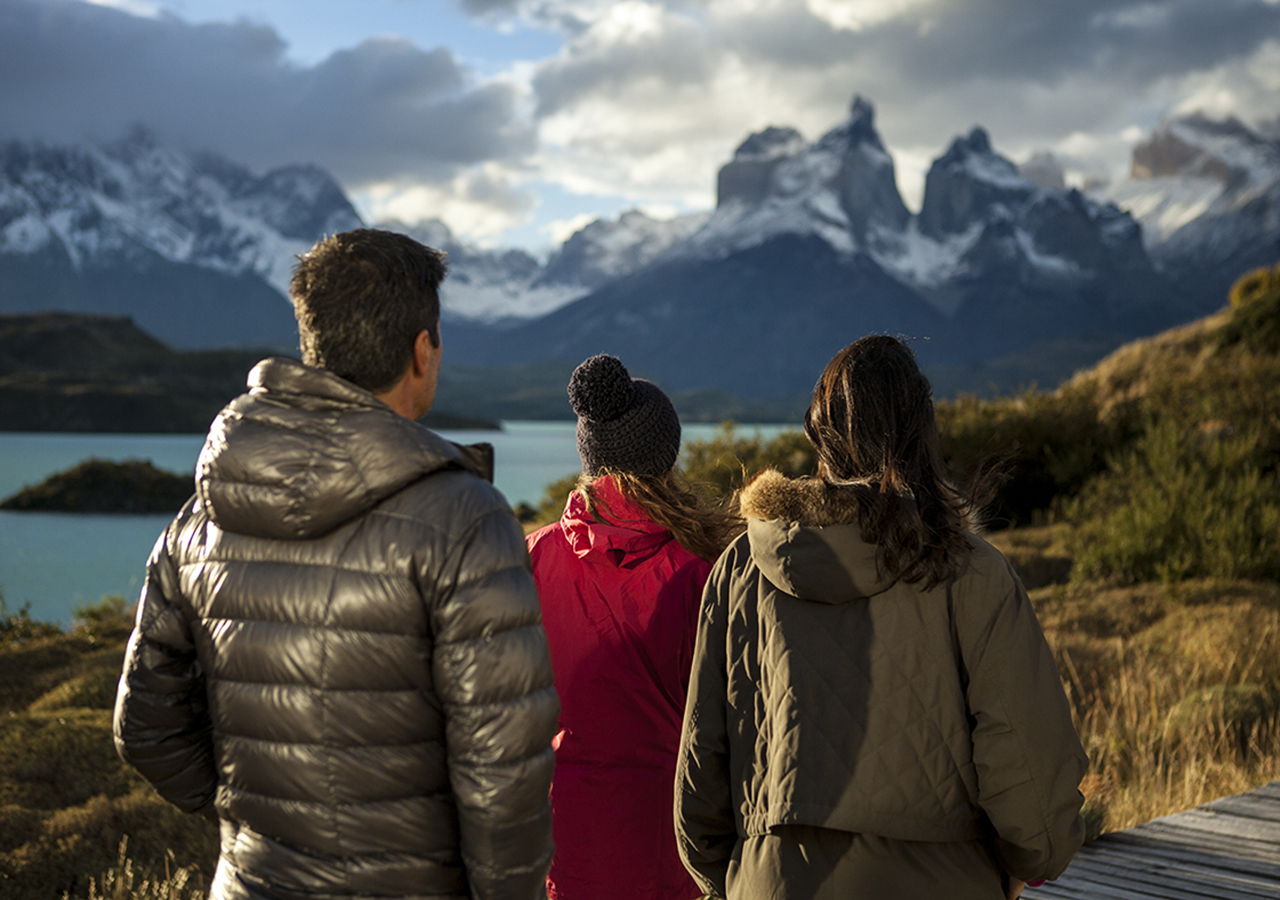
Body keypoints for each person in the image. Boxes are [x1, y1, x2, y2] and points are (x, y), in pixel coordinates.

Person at [112, 228, 559, 900]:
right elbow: (504, 775)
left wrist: (256, 817)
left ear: (313, 343)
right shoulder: (466, 519)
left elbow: (144, 729)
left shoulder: (198, 519)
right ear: (422, 350)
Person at [675, 335, 1088, 900]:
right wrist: (1028, 861)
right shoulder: (971, 572)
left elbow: (704, 757)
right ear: (920, 430)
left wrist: (735, 879)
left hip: (773, 881)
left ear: (820, 431)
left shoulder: (738, 568)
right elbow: (1023, 753)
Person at [525, 354, 741, 900]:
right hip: (677, 838)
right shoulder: (705, 568)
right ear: (666, 454)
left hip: (564, 834)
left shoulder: (531, 557)